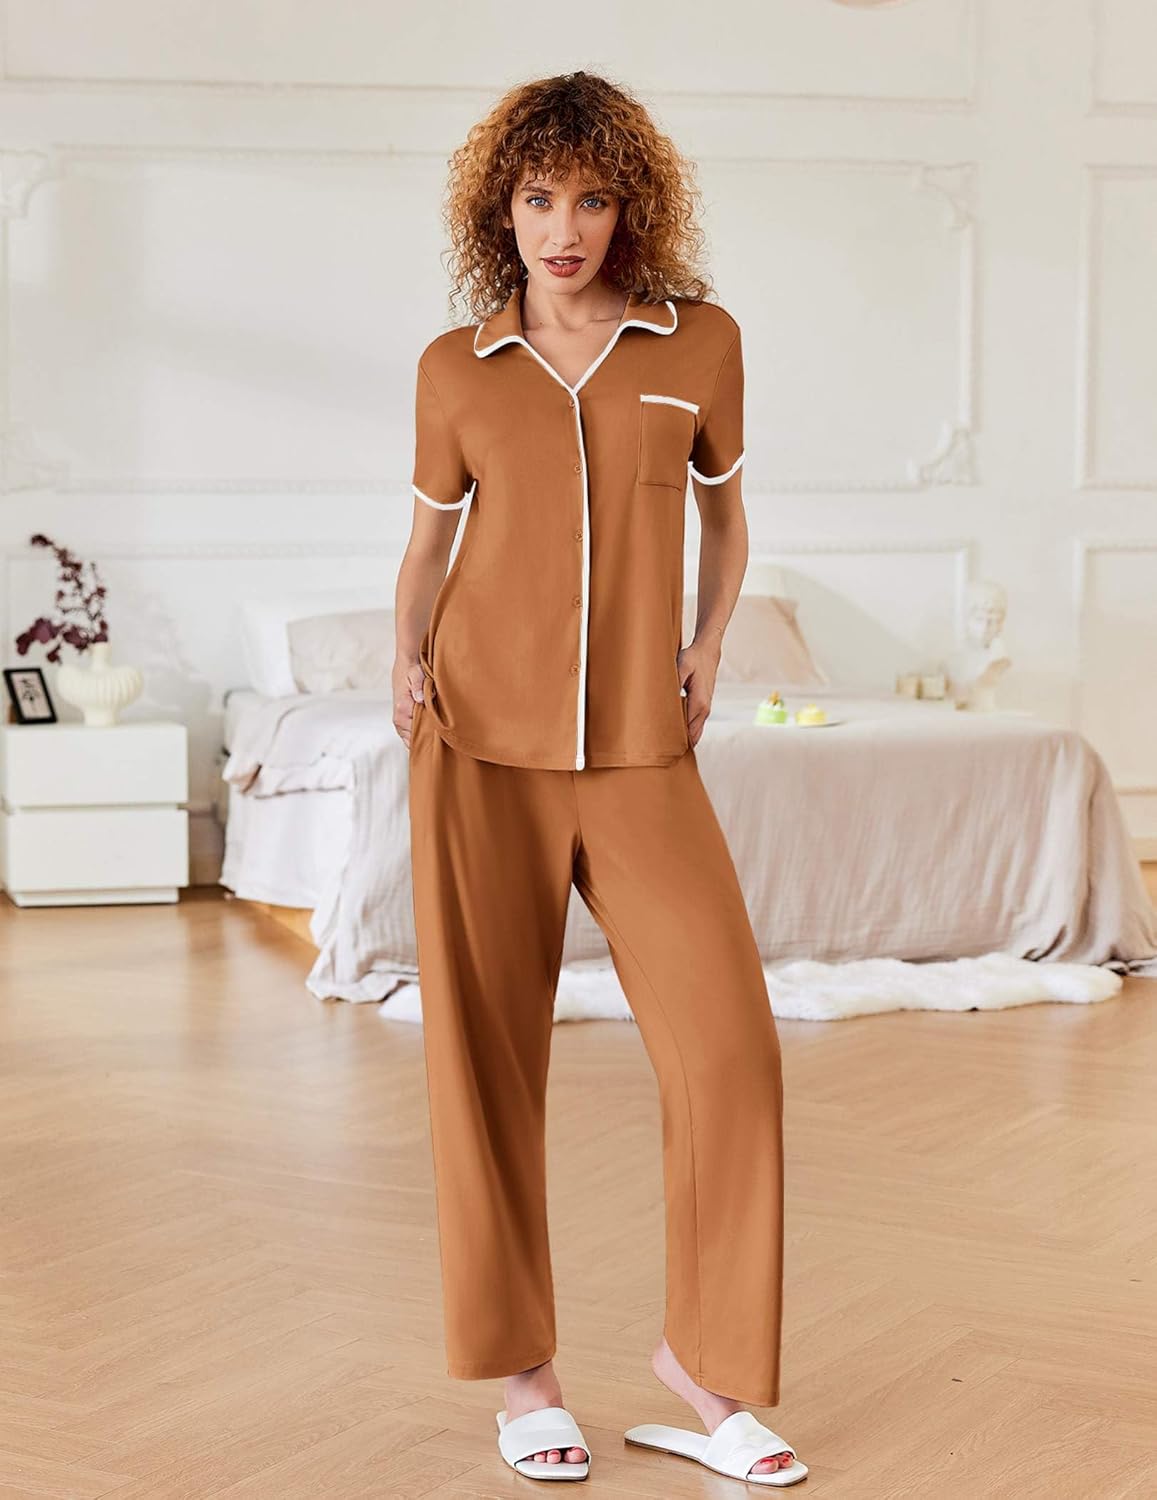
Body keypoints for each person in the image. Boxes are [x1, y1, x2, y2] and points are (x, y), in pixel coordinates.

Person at [393, 70, 804, 1487]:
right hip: (476, 745)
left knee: (729, 1051)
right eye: (536, 199)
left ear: (630, 210)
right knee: (482, 1062)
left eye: (589, 198)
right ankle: (525, 1378)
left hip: (640, 751)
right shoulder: (456, 368)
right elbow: (429, 545)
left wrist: (706, 644)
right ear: (498, 213)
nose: (562, 228)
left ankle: (707, 1370)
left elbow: (725, 517)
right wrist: (403, 660)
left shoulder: (699, 344)